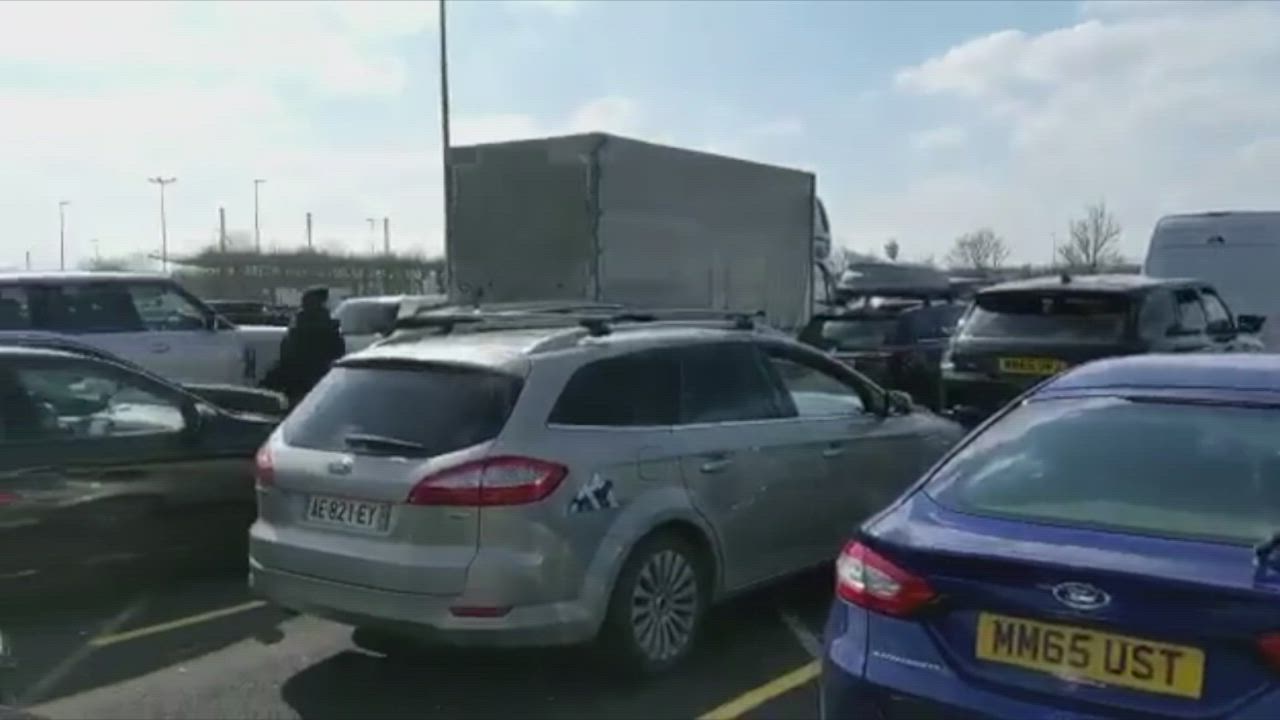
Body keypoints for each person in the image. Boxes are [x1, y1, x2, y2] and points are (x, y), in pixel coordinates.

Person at [262, 287, 345, 407]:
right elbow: (338, 353)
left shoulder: (303, 326)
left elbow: (287, 353)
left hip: (303, 380)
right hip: (311, 381)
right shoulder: (327, 327)